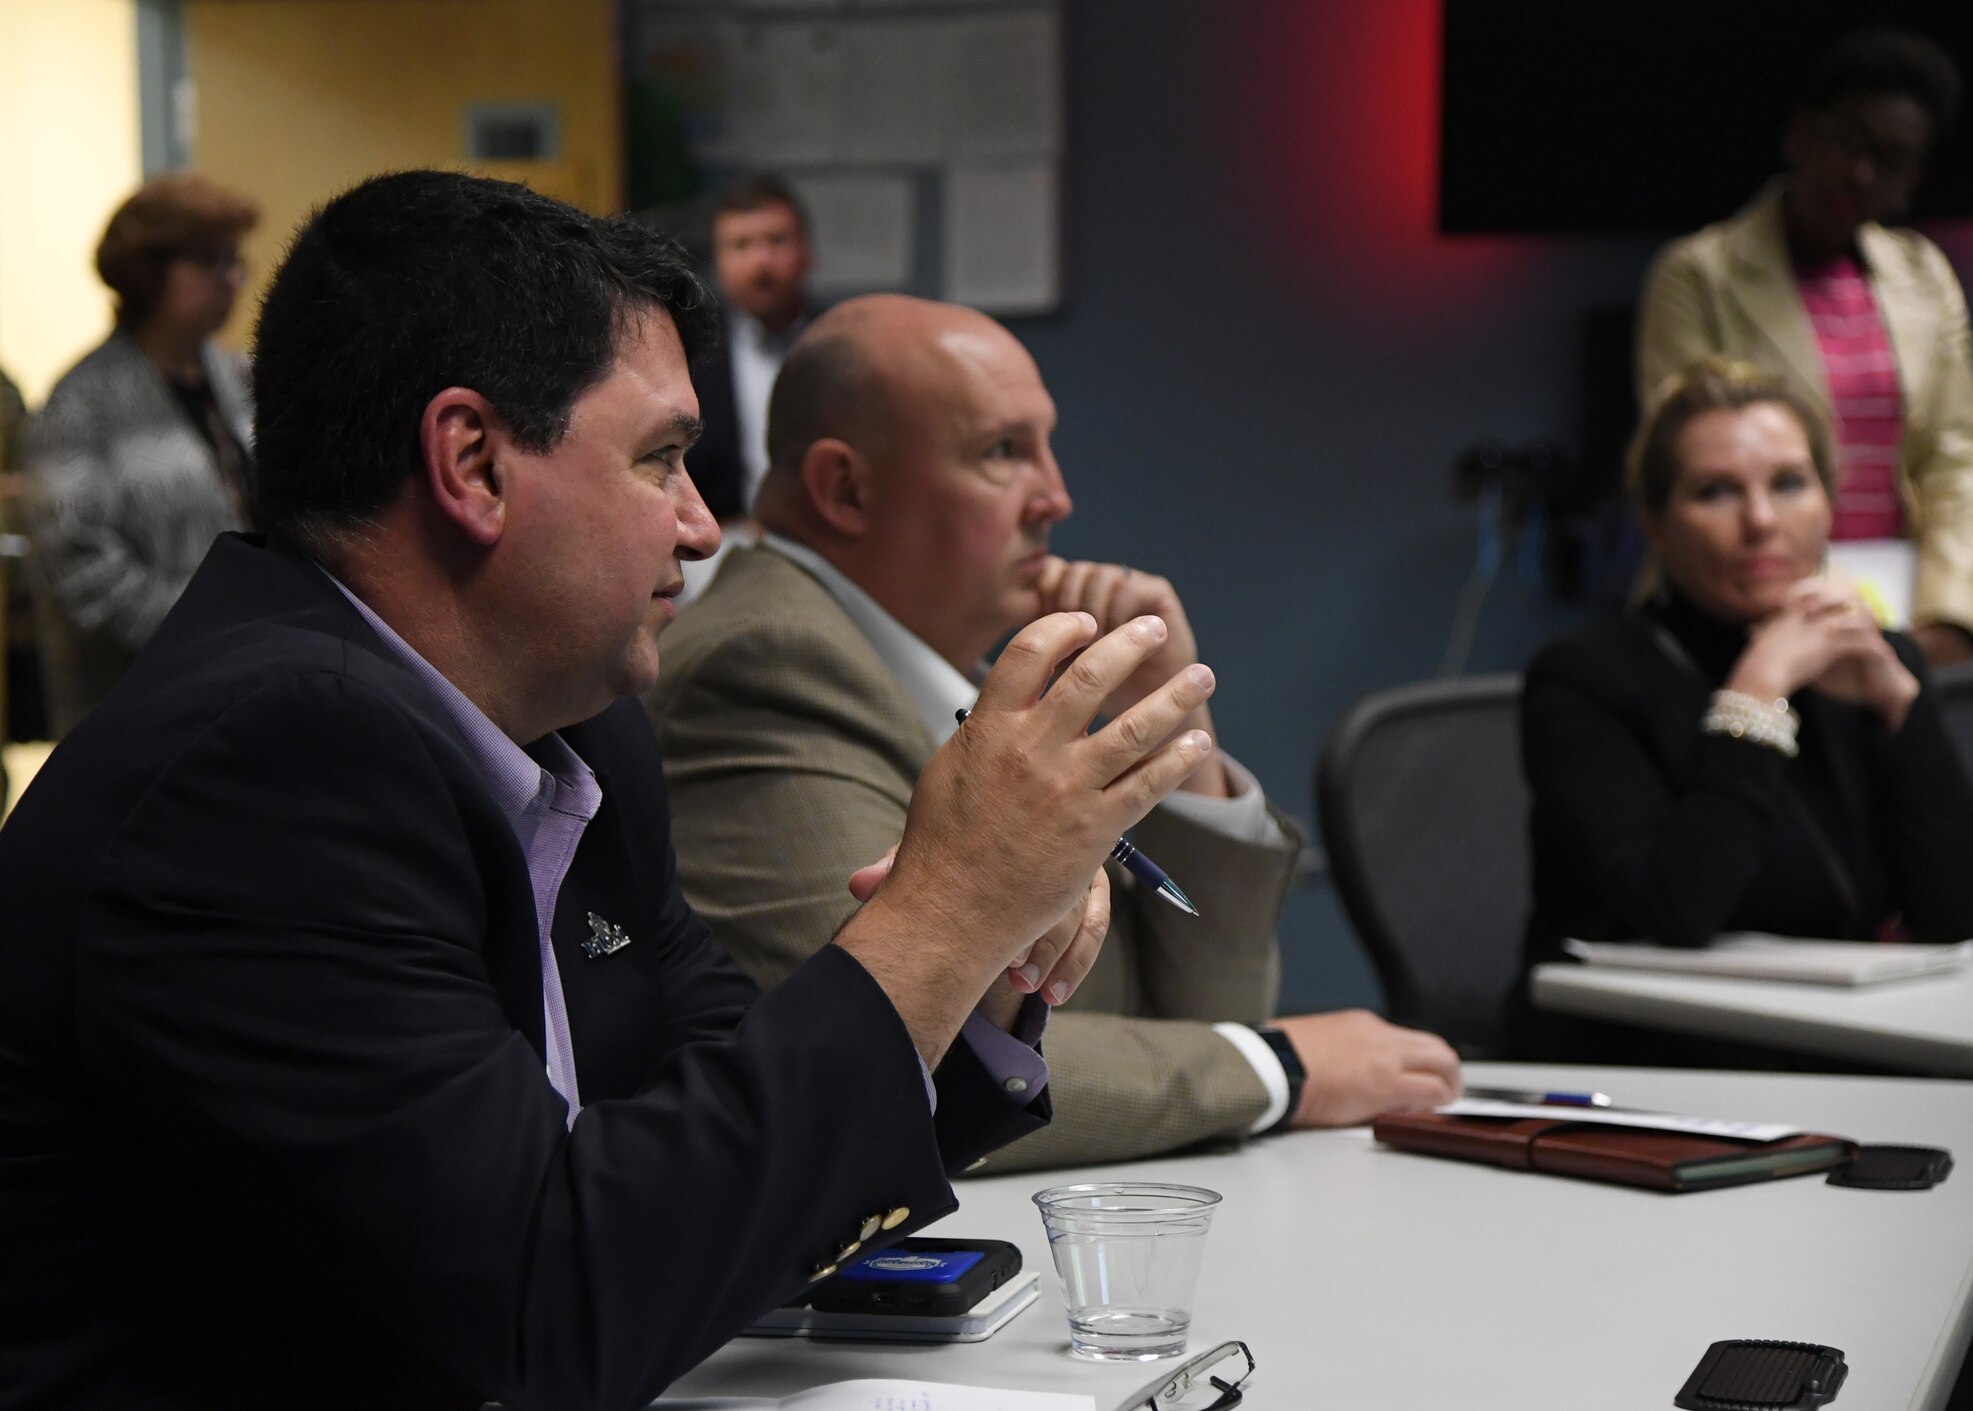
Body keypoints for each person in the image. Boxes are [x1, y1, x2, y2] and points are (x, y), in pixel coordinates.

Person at [0, 173, 1217, 1410]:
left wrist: (976, 966)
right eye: (664, 460)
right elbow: (546, 1305)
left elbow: (707, 1152)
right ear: (472, 463)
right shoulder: (262, 768)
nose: (701, 527)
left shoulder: (578, 737)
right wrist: (942, 911)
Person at [648, 294, 1461, 1172]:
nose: (1057, 497)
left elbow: (1197, 1012)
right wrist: (1280, 1067)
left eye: (1046, 444)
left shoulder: (927, 668)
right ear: (846, 488)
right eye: (1003, 451)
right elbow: (904, 1054)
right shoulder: (767, 661)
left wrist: (1177, 732)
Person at [1518, 356, 1973, 1050]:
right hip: (1643, 1057)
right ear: (1656, 522)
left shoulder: (1870, 660)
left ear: (1829, 502)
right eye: (1715, 492)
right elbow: (1678, 910)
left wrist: (1900, 709)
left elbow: (1971, 916)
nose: (1761, 520)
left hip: (1844, 1043)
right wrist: (1757, 691)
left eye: (1789, 483)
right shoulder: (1584, 677)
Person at [1636, 27, 1973, 667]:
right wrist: (1788, 633)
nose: (1861, 172)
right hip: (1743, 611)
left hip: (1903, 604)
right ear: (1801, 134)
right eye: (1849, 142)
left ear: (1910, 179)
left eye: (1889, 159)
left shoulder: (1924, 275)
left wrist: (1953, 623)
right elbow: (1696, 470)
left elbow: (1960, 457)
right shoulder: (1699, 274)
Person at [19, 173, 259, 732]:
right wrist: (220, 630)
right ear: (150, 273)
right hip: (139, 713)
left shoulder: (240, 378)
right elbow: (84, 577)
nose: (233, 280)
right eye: (210, 262)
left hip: (249, 689)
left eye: (234, 259)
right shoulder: (79, 405)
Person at [677, 175, 815, 604]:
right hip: (722, 543)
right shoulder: (687, 350)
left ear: (805, 251)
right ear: (718, 260)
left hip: (825, 545)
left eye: (776, 241)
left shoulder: (843, 339)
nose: (761, 262)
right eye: (741, 245)